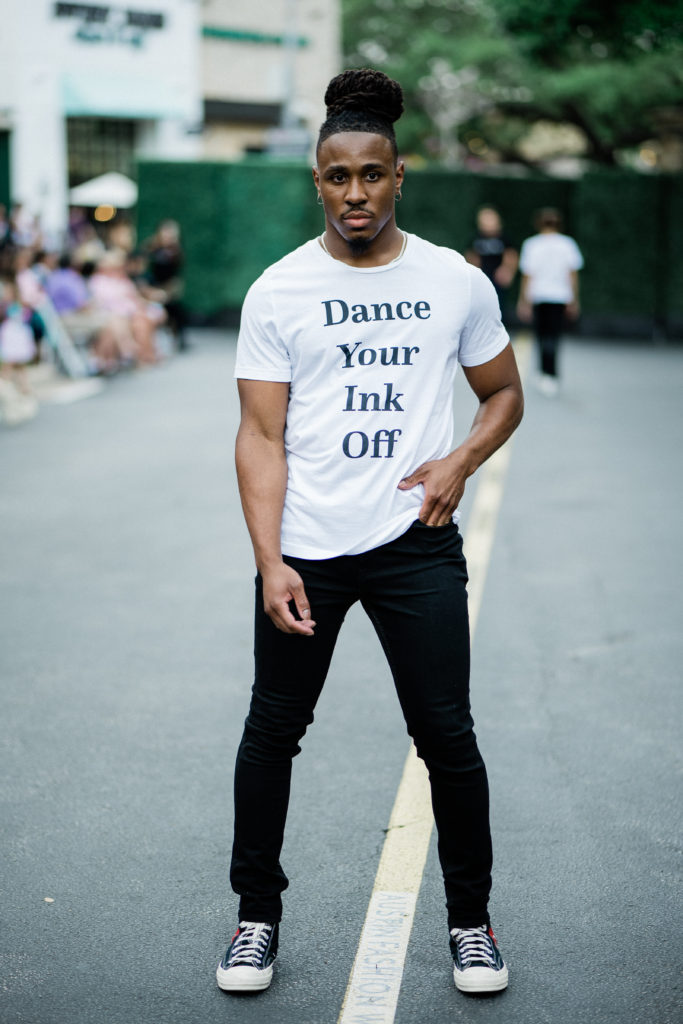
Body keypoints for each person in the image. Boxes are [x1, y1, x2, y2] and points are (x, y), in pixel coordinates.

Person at [216, 69, 524, 1000]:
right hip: (306, 549)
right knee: (273, 732)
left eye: (373, 175)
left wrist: (458, 461)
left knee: (446, 738)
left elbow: (502, 393)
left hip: (415, 544)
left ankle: (471, 924)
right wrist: (270, 561)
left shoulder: (452, 281)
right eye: (338, 177)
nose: (356, 193)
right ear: (318, 182)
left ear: (400, 176)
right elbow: (260, 435)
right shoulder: (278, 292)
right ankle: (254, 921)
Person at [517, 208, 583, 395]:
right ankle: (551, 375)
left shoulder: (531, 244)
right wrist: (574, 299)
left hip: (539, 296)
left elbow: (527, 275)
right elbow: (572, 274)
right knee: (554, 336)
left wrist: (524, 301)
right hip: (560, 296)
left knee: (540, 335)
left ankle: (544, 373)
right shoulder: (568, 244)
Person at [466, 206, 518, 323]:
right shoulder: (476, 238)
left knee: (499, 304)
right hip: (483, 276)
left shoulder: (504, 238)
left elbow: (511, 255)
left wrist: (507, 270)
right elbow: (471, 256)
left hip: (498, 278)